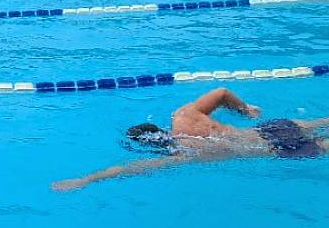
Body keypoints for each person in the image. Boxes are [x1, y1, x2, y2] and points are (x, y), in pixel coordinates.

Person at [52, 88, 329, 192]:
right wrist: (246, 110)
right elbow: (221, 93)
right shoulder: (183, 115)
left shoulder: (186, 153)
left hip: (271, 148)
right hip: (272, 128)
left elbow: (130, 168)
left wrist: (85, 180)